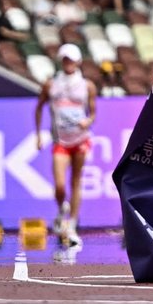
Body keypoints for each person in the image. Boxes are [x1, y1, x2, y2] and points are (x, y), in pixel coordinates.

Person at [33, 44, 98, 247]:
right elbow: (39, 108)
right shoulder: (51, 85)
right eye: (65, 59)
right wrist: (38, 134)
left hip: (80, 139)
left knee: (76, 182)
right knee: (60, 185)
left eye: (71, 59)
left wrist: (88, 121)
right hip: (60, 141)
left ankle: (72, 224)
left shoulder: (87, 86)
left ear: (78, 61)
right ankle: (62, 207)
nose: (68, 63)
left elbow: (93, 112)